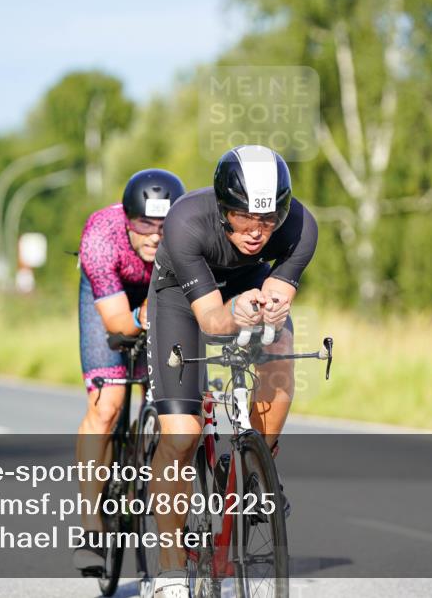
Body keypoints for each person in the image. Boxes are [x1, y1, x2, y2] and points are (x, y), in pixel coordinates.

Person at [145, 145, 318, 597]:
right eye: (244, 219)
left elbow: (278, 287)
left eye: (268, 220)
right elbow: (212, 323)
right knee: (181, 434)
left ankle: (257, 465)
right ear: (223, 208)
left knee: (280, 348)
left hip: (248, 284)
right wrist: (234, 314)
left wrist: (272, 306)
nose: (257, 232)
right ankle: (169, 567)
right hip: (181, 299)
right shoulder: (186, 223)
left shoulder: (299, 226)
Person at [72, 168, 186, 575]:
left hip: (161, 293)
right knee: (108, 403)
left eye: (165, 226)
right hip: (111, 297)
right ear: (127, 219)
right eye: (145, 225)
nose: (156, 235)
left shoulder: (187, 236)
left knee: (177, 404)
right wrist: (144, 315)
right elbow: (120, 324)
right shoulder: (102, 237)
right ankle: (91, 527)